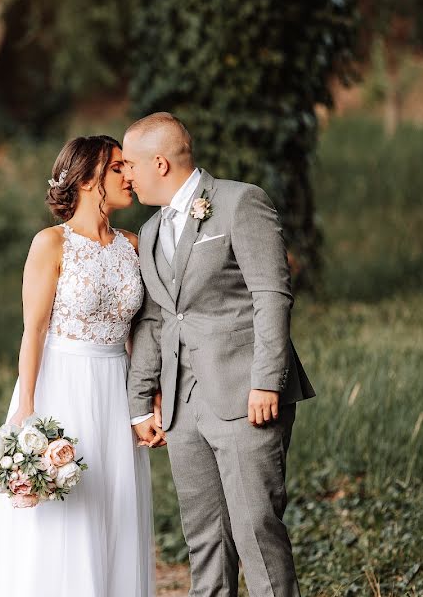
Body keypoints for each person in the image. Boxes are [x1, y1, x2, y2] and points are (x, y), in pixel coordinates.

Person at [123, 112, 316, 597]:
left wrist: (267, 380)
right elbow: (154, 320)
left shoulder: (239, 202)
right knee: (204, 537)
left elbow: (271, 295)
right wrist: (140, 402)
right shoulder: (148, 233)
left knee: (256, 530)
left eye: (129, 164)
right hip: (183, 407)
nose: (126, 174)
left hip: (245, 394)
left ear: (160, 163)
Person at [0, 135, 155, 597]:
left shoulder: (133, 245)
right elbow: (33, 330)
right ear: (91, 177)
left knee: (112, 508)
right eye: (118, 168)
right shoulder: (52, 244)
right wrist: (26, 406)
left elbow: (141, 334)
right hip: (62, 385)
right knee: (65, 514)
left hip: (116, 387)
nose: (129, 175)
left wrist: (145, 400)